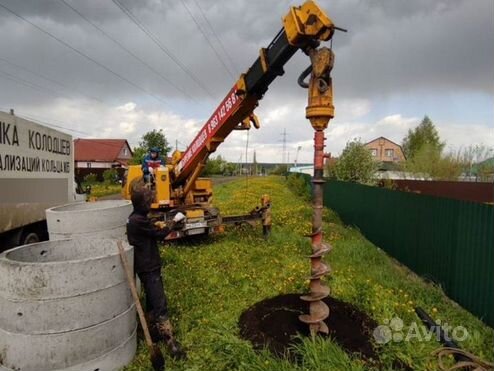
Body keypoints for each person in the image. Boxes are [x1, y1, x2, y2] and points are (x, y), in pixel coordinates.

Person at [126, 186, 186, 359]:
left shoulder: (133, 219)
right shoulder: (139, 221)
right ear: (142, 204)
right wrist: (174, 221)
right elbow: (160, 235)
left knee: (151, 301)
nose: (151, 205)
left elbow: (148, 229)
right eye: (149, 202)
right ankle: (171, 343)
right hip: (149, 266)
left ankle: (154, 332)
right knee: (160, 302)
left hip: (143, 267)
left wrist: (155, 224)